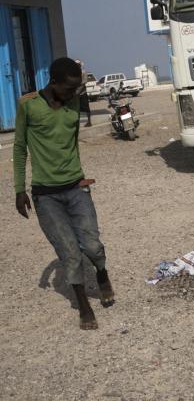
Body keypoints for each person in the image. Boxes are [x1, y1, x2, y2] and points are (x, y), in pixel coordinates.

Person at [13, 57, 114, 331]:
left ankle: (102, 274)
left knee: (92, 245)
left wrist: (80, 177)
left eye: (78, 88)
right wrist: (19, 189)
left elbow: (71, 143)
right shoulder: (28, 106)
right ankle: (83, 306)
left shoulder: (72, 103)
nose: (74, 94)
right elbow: (20, 148)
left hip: (76, 188)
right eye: (69, 88)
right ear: (53, 82)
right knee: (70, 252)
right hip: (46, 196)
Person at [75, 59, 92, 127]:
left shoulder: (83, 72)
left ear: (80, 65)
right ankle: (77, 123)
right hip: (76, 93)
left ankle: (89, 121)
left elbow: (84, 82)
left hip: (82, 93)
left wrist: (77, 91)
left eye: (78, 65)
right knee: (77, 108)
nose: (77, 66)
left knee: (86, 108)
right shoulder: (74, 73)